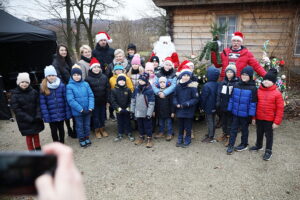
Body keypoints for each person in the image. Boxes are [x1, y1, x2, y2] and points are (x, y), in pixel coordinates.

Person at [250, 68, 284, 161]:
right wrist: (254, 117)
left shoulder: (277, 94)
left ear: (273, 82)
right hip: (259, 117)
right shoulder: (259, 91)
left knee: (269, 135)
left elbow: (280, 109)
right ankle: (259, 145)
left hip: (270, 119)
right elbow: (255, 105)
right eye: (265, 79)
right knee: (259, 132)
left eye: (269, 80)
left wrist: (276, 122)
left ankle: (268, 150)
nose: (266, 82)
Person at [226, 66, 257, 155]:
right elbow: (231, 98)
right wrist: (230, 108)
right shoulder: (236, 85)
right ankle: (231, 145)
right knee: (233, 129)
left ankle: (244, 143)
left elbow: (253, 103)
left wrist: (251, 115)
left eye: (246, 75)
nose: (244, 76)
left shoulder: (253, 88)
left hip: (245, 114)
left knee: (244, 130)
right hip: (235, 112)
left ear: (250, 76)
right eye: (243, 74)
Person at [11, 72, 44, 151]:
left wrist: (38, 115)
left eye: (26, 82)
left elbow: (38, 104)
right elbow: (17, 110)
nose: (24, 84)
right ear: (18, 83)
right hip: (25, 121)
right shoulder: (15, 95)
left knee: (36, 135)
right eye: (22, 82)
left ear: (29, 83)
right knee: (29, 137)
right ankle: (31, 152)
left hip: (35, 119)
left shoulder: (34, 92)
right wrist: (29, 118)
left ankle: (38, 150)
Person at [40, 66, 71, 144]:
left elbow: (66, 100)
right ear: (46, 76)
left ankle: (62, 143)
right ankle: (56, 144)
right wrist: (46, 115)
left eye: (53, 75)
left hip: (61, 113)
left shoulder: (62, 86)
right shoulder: (43, 87)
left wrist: (67, 112)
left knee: (61, 129)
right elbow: (43, 103)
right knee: (53, 130)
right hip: (51, 114)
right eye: (49, 76)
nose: (51, 77)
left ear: (56, 75)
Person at [52, 44, 76, 138]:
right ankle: (69, 129)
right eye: (62, 50)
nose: (64, 52)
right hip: (64, 89)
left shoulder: (69, 60)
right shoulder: (55, 63)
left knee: (73, 109)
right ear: (58, 51)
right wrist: (67, 87)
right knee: (66, 111)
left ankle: (75, 129)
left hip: (73, 87)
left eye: (65, 50)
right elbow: (58, 78)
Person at [66, 67, 94, 148]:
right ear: (71, 76)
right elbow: (71, 100)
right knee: (79, 125)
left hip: (87, 110)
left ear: (81, 75)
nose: (77, 76)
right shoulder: (69, 86)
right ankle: (81, 138)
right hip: (78, 111)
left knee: (87, 124)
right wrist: (80, 109)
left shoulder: (86, 84)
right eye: (74, 75)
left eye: (78, 75)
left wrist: (90, 107)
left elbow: (91, 96)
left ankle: (87, 137)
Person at [173, 68, 199, 148]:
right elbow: (174, 96)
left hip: (188, 110)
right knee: (180, 125)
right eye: (184, 75)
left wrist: (187, 103)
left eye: (188, 75)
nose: (186, 77)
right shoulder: (178, 86)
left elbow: (196, 99)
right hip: (180, 109)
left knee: (188, 126)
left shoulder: (193, 86)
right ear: (181, 76)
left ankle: (188, 138)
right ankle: (180, 137)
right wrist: (176, 103)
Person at [85, 58, 109, 139]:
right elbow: (87, 92)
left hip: (102, 101)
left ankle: (102, 128)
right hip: (93, 102)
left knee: (102, 115)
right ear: (91, 68)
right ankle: (97, 130)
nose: (96, 69)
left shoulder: (104, 77)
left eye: (97, 67)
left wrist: (107, 100)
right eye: (94, 67)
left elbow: (107, 89)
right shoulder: (88, 79)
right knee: (95, 116)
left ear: (100, 68)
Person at [216, 64, 239, 146]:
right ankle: (224, 134)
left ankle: (230, 137)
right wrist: (218, 102)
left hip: (231, 107)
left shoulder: (236, 83)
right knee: (224, 121)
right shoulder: (223, 82)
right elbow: (219, 93)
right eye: (227, 72)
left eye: (231, 72)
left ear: (234, 73)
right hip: (223, 106)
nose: (229, 73)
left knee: (230, 122)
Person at [131, 73, 155, 148]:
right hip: (138, 112)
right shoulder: (136, 89)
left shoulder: (149, 90)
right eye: (140, 80)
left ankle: (149, 139)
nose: (141, 82)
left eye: (143, 80)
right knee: (140, 126)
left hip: (146, 112)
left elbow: (151, 103)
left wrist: (149, 114)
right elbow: (133, 100)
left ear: (146, 81)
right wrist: (132, 110)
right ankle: (141, 137)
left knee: (148, 126)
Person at [111, 74, 134, 142]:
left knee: (128, 121)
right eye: (120, 80)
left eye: (123, 81)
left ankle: (129, 132)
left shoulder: (128, 90)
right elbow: (113, 101)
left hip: (127, 109)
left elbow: (131, 100)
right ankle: (120, 133)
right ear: (117, 81)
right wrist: (118, 108)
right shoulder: (114, 90)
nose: (122, 82)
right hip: (119, 110)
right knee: (119, 121)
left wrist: (128, 107)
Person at [201, 66, 220, 143]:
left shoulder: (206, 85)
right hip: (216, 106)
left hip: (208, 106)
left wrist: (201, 106)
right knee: (213, 119)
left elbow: (203, 98)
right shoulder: (218, 84)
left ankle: (210, 136)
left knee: (209, 121)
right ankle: (210, 133)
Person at [154, 76, 175, 141]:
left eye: (164, 82)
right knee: (161, 123)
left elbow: (172, 103)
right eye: (160, 82)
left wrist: (172, 112)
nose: (162, 84)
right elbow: (155, 103)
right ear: (158, 83)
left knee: (169, 123)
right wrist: (154, 111)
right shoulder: (157, 93)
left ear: (166, 83)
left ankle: (170, 133)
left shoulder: (169, 92)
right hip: (160, 111)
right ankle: (161, 132)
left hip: (168, 111)